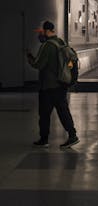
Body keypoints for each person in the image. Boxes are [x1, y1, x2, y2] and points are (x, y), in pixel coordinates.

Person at [27, 21, 79, 149]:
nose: (41, 35)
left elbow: (38, 64)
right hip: (61, 84)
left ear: (46, 31)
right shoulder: (60, 42)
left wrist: (29, 57)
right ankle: (72, 135)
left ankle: (44, 139)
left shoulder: (47, 46)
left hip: (48, 87)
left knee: (44, 114)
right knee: (63, 111)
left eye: (42, 32)